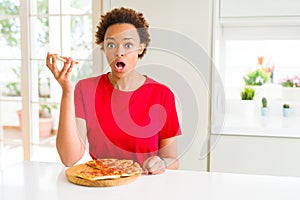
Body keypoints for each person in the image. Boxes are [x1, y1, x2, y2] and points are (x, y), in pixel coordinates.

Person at [46, 7, 181, 175]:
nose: (119, 52)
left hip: (146, 186)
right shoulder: (85, 89)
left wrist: (161, 163)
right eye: (111, 44)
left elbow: (172, 159)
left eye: (128, 45)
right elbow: (69, 158)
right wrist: (67, 91)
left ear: (141, 48)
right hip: (102, 185)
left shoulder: (162, 95)